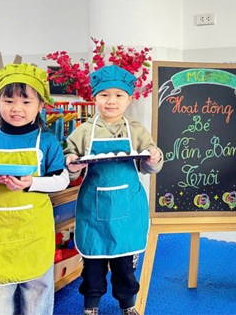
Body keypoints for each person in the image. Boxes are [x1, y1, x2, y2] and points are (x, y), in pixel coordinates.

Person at [0, 63, 69, 315]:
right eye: (9, 101)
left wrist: (31, 183)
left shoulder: (47, 142)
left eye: (26, 102)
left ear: (40, 105)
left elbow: (61, 180)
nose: (17, 108)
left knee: (36, 300)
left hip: (34, 235)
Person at [64, 65, 163, 315]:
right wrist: (72, 164)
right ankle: (91, 307)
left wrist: (154, 157)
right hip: (94, 209)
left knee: (125, 267)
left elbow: (150, 166)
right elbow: (70, 167)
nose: (111, 101)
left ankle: (128, 306)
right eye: (104, 95)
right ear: (94, 98)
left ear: (129, 99)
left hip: (127, 208)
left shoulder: (137, 130)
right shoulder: (83, 131)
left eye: (119, 95)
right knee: (93, 266)